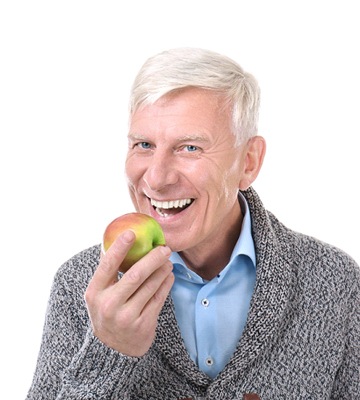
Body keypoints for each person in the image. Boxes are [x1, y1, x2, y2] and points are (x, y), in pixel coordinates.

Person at [26, 47, 360, 400]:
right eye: (144, 144)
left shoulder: (334, 280)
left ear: (248, 162)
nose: (156, 178)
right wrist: (111, 350)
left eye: (189, 148)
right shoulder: (78, 284)